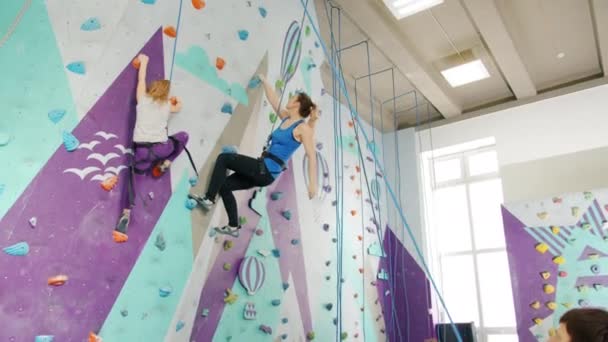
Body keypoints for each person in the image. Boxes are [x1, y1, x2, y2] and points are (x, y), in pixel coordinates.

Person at [189, 74, 318, 237]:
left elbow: (311, 156)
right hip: (263, 171)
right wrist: (264, 81)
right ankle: (233, 226)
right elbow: (273, 100)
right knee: (224, 186)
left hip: (266, 170)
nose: (289, 98)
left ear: (297, 104)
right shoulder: (286, 118)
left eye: (293, 97)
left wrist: (313, 184)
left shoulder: (303, 128)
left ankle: (209, 198)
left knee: (224, 159)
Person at [113, 53, 191, 242]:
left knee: (132, 182)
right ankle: (167, 162)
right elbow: (179, 105)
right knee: (183, 137)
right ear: (165, 94)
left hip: (141, 151)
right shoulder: (166, 106)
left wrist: (145, 62)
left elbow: (141, 79)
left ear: (152, 89)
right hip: (161, 148)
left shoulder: (142, 99)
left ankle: (125, 214)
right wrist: (174, 100)